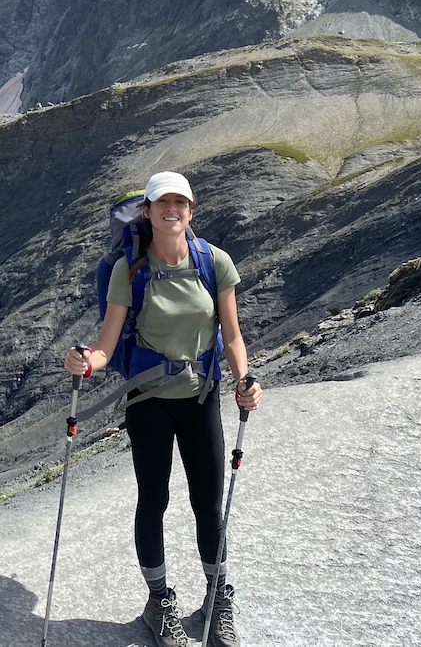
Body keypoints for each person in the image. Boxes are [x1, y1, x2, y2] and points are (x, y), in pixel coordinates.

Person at [65, 171, 262, 647]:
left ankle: (217, 599)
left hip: (201, 397)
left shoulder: (214, 262)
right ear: (148, 211)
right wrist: (86, 362)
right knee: (153, 501)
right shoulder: (128, 270)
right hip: (148, 402)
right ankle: (159, 602)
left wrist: (245, 380)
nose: (172, 210)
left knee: (208, 505)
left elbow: (232, 335)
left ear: (190, 211)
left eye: (180, 203)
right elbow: (106, 345)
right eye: (162, 203)